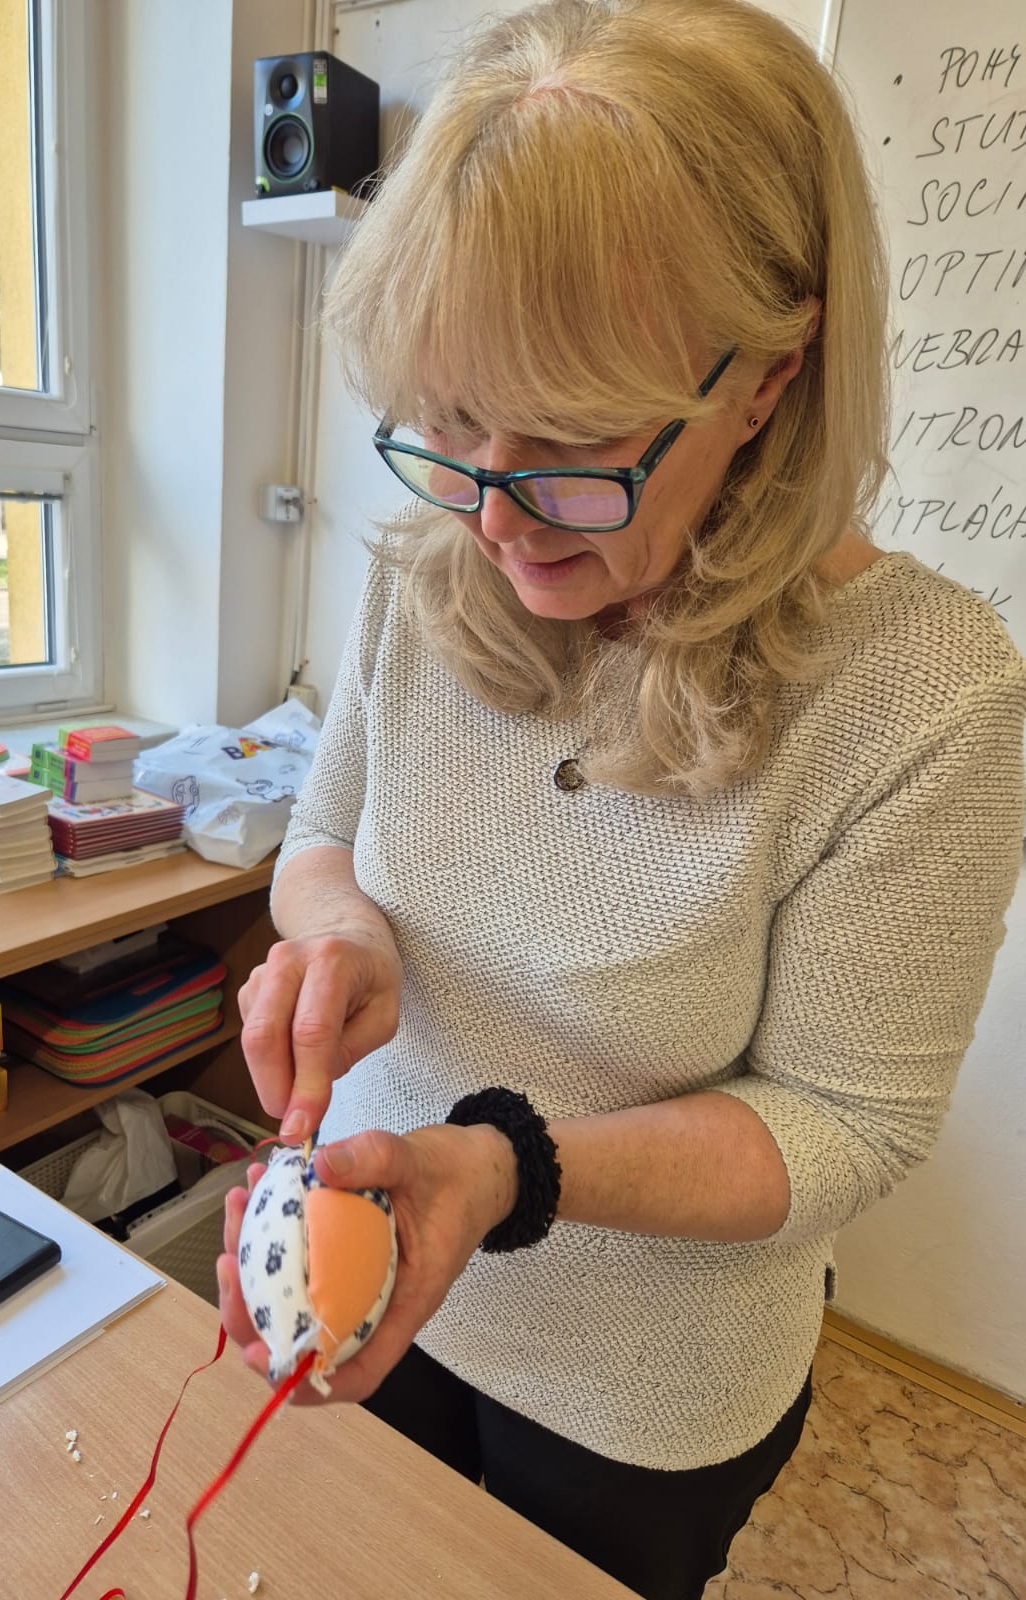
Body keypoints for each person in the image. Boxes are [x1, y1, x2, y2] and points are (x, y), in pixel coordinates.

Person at [218, 2, 1026, 1595]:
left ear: (771, 376)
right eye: (452, 426)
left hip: (642, 1391)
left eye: (575, 442)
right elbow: (323, 839)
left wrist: (504, 1168)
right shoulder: (425, 571)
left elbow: (848, 1124)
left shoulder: (927, 690)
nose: (497, 520)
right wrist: (339, 936)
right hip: (374, 1263)